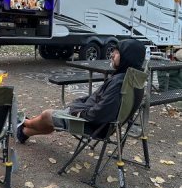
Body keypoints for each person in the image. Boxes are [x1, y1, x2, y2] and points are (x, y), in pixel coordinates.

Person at [17, 39, 146, 143]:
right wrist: (80, 103)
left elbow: (101, 112)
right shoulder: (132, 78)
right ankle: (24, 132)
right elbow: (101, 103)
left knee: (47, 115)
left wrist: (79, 113)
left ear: (127, 57)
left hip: (91, 125)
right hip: (103, 124)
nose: (112, 54)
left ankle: (22, 122)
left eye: (117, 52)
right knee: (52, 120)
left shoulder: (119, 83)